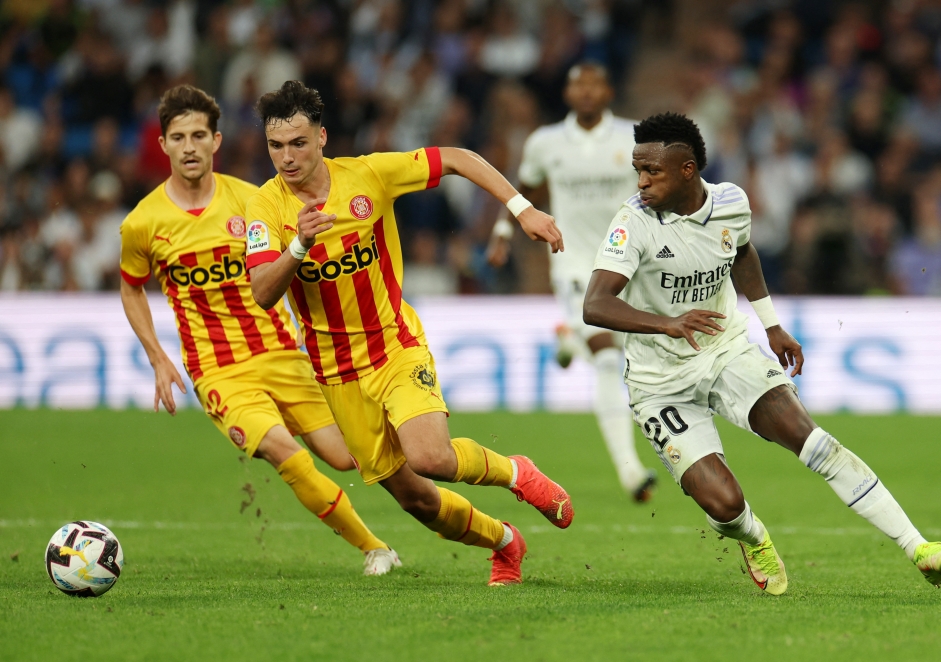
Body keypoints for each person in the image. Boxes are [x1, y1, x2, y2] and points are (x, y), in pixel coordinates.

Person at [582, 112, 941, 595]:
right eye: (637, 169)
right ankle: (754, 537)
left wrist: (772, 325)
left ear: (687, 169)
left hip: (725, 350)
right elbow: (595, 304)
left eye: (651, 171)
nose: (641, 181)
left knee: (814, 442)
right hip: (659, 383)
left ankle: (919, 547)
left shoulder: (731, 202)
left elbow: (741, 252)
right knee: (722, 504)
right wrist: (668, 324)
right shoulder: (632, 222)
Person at [245, 81, 572, 586]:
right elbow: (263, 293)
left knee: (430, 457)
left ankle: (516, 471)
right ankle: (504, 543)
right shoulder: (265, 210)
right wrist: (298, 247)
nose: (286, 157)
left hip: (394, 346)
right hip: (337, 373)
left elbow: (459, 157)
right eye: (276, 146)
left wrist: (521, 208)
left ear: (323, 138)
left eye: (298, 143)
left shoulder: (370, 175)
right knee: (415, 498)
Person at [119, 85, 400, 576]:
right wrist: (157, 356)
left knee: (348, 457)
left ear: (217, 141)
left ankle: (437, 468)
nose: (189, 146)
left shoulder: (254, 202)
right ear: (162, 144)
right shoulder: (143, 223)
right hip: (218, 369)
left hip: (282, 352)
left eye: (199, 135)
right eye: (178, 136)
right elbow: (131, 287)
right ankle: (374, 548)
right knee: (283, 451)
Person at [488, 62, 657, 502]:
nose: (586, 92)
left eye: (594, 84)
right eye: (577, 85)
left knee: (630, 354)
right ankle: (630, 471)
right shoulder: (545, 143)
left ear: (608, 91)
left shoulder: (632, 137)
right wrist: (504, 232)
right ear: (567, 94)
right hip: (574, 263)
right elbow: (523, 191)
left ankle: (569, 338)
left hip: (629, 261)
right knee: (606, 359)